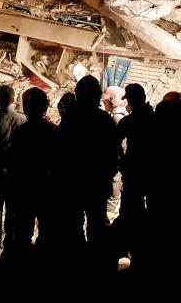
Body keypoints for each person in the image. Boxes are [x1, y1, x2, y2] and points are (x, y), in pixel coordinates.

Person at [57, 75, 121, 250]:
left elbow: (61, 153)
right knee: (98, 225)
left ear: (78, 95)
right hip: (97, 184)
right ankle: (98, 264)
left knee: (74, 226)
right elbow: (114, 154)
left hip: (74, 184)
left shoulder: (70, 120)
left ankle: (78, 262)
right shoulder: (105, 120)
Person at [5, 87, 59, 251]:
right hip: (46, 190)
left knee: (22, 233)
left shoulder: (20, 132)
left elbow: (13, 163)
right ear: (45, 106)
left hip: (24, 190)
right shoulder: (54, 132)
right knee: (47, 232)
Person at [0, 85, 26, 259]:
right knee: (12, 212)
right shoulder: (23, 120)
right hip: (16, 175)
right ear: (13, 99)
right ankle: (10, 248)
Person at [116, 84, 156, 225]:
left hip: (134, 170)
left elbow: (114, 142)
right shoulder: (156, 119)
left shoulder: (128, 121)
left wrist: (122, 160)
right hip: (154, 170)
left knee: (131, 211)